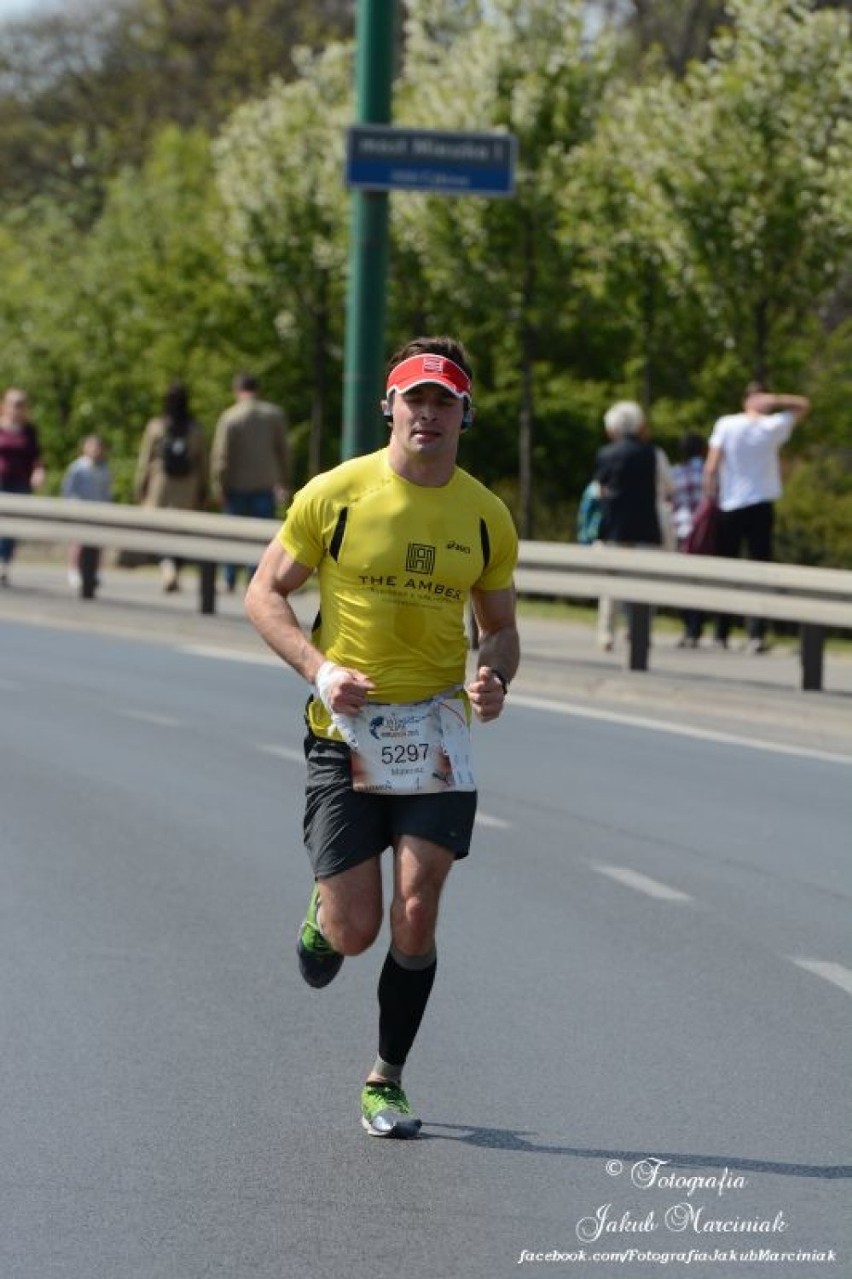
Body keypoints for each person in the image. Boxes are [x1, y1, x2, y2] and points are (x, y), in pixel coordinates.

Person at [244, 336, 519, 1139]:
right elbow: (264, 592)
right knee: (354, 931)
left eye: (443, 401)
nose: (426, 414)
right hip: (344, 729)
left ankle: (386, 1078)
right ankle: (324, 910)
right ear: (389, 407)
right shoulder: (336, 494)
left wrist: (495, 674)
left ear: (463, 414)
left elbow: (499, 628)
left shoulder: (484, 513)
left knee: (417, 907)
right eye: (414, 399)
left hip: (435, 732)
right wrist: (319, 670)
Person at [704, 382, 810, 653]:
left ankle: (722, 632)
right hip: (758, 505)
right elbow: (802, 405)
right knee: (759, 570)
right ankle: (755, 633)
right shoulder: (769, 425)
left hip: (730, 504)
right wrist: (775, 400)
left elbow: (711, 466)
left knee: (728, 570)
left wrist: (709, 497)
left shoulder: (734, 424)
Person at [210, 372, 290, 592]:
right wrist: (283, 480)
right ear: (258, 390)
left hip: (236, 486)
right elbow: (283, 451)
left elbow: (221, 457)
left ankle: (229, 578)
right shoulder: (273, 415)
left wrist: (219, 486)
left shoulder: (230, 417)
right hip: (265, 484)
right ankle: (256, 578)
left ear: (236, 391)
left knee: (232, 535)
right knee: (261, 538)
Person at [594, 400, 662, 651]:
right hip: (646, 528)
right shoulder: (653, 453)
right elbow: (667, 486)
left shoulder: (606, 454)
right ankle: (638, 632)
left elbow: (600, 491)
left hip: (613, 528)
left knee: (609, 586)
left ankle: (606, 634)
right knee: (643, 586)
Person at [134, 381, 207, 592]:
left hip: (161, 485)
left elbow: (145, 460)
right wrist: (204, 489)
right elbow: (202, 461)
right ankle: (175, 567)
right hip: (187, 487)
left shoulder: (156, 426)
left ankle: (167, 568)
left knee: (160, 531)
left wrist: (140, 488)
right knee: (181, 533)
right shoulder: (195, 428)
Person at [0, 387, 45, 586]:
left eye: (21, 405)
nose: (17, 409)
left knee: (11, 527)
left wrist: (38, 472)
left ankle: (4, 563)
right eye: (13, 404)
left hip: (19, 482)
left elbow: (36, 456)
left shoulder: (29, 431)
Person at [61, 434, 113, 595]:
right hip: (80, 508)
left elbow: (106, 491)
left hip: (98, 510)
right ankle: (74, 569)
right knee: (78, 542)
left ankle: (96, 571)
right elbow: (68, 489)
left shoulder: (104, 469)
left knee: (97, 543)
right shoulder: (77, 468)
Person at [671, 430, 708, 647]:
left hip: (681, 531)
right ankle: (697, 627)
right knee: (702, 581)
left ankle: (689, 628)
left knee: (684, 581)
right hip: (703, 531)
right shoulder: (708, 471)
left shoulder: (675, 472)